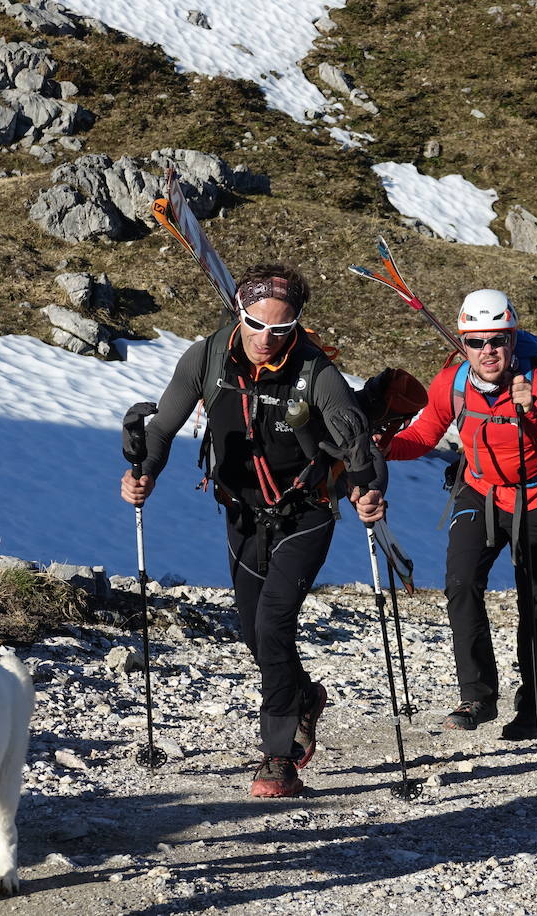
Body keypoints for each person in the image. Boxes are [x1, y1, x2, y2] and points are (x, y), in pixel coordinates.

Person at [120, 264, 385, 798]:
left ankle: (278, 756)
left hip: (304, 514)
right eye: (257, 325)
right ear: (238, 314)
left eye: (282, 329)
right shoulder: (207, 357)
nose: (267, 339)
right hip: (241, 514)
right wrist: (143, 472)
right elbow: (164, 428)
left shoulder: (317, 372)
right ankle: (304, 698)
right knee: (254, 632)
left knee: (274, 623)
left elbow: (359, 445)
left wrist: (368, 489)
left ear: (297, 326)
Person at [386, 290, 537, 740]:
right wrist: (380, 448)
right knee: (461, 582)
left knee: (536, 601)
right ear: (463, 344)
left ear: (512, 339)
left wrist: (529, 414)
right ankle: (478, 697)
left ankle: (535, 711)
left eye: (498, 340)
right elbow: (424, 436)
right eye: (476, 342)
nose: (488, 351)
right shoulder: (451, 383)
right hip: (480, 490)